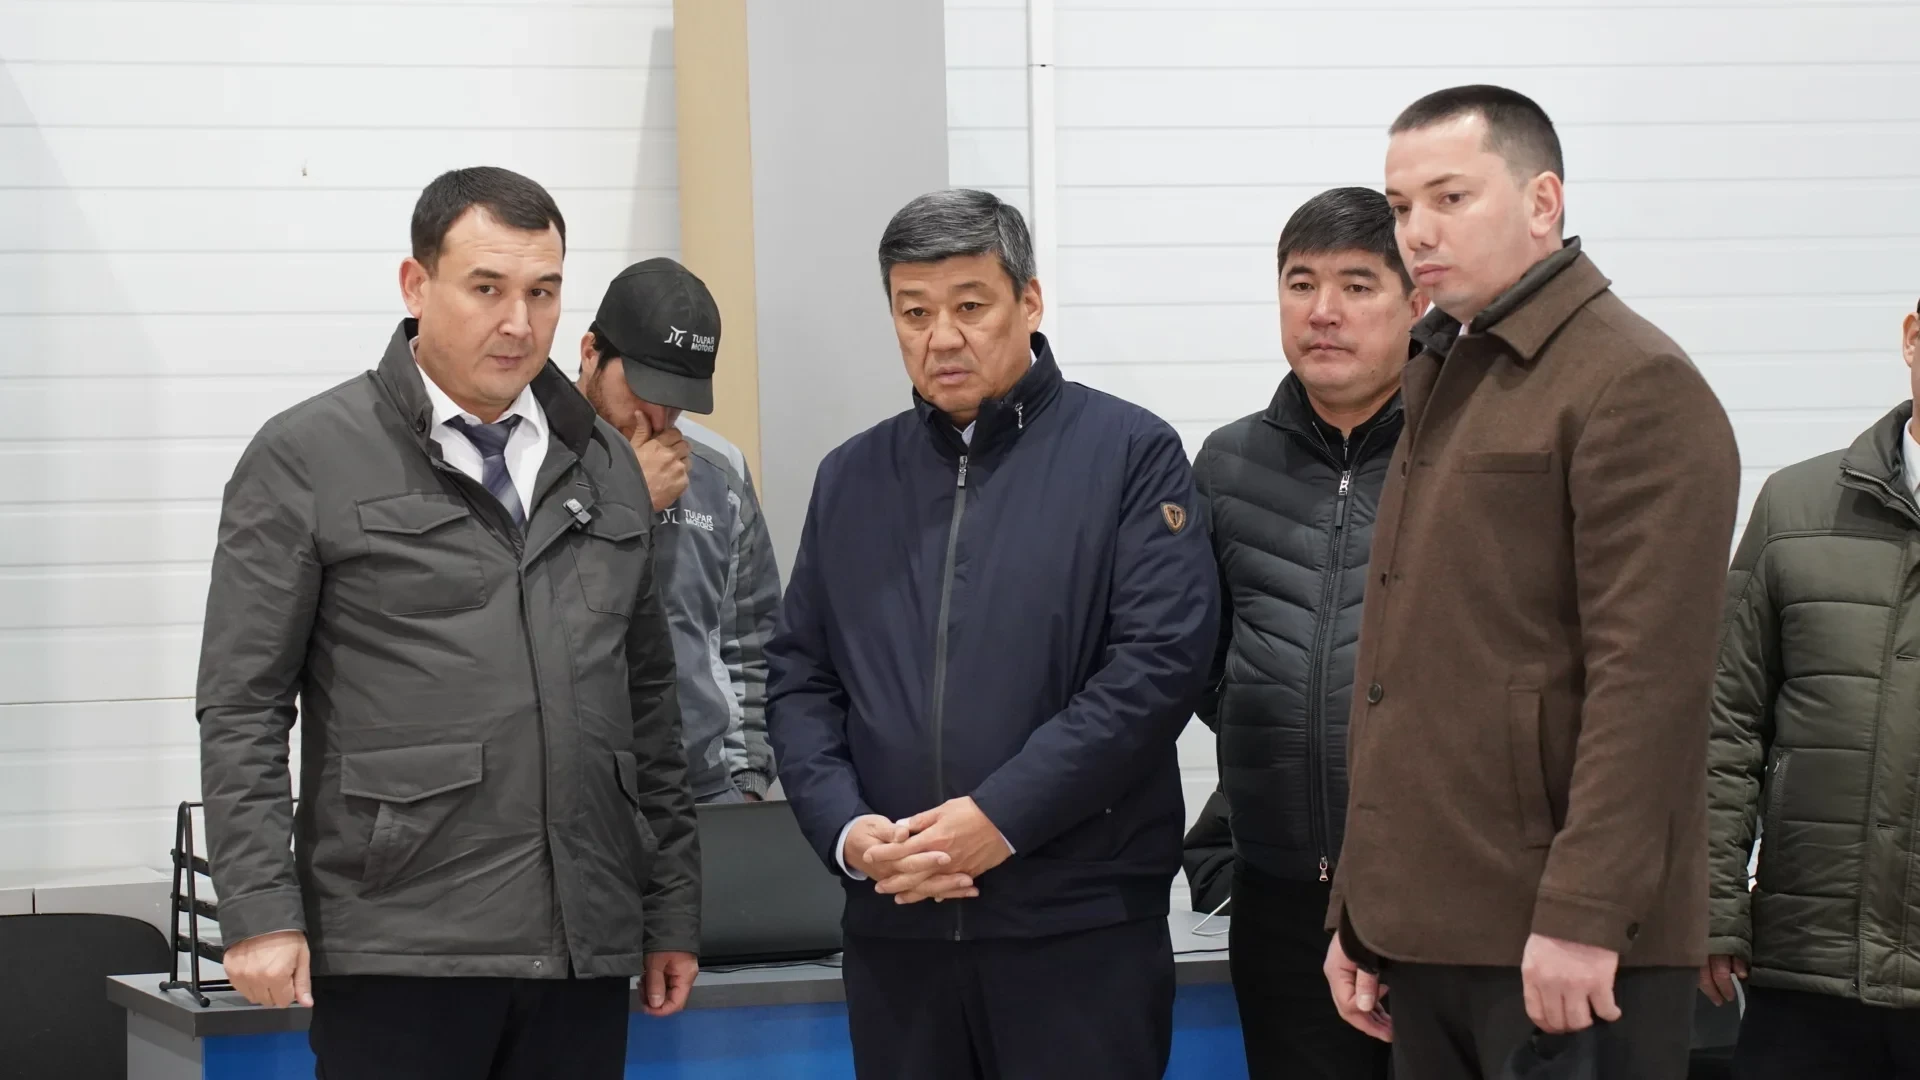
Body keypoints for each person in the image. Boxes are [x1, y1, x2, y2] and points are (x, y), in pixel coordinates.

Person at [196, 167, 700, 1080]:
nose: (519, 323)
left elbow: (649, 704)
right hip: (400, 945)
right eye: (487, 288)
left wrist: (669, 910)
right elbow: (243, 704)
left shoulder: (603, 464)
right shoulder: (307, 456)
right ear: (415, 285)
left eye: (542, 292)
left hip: (583, 946)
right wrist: (261, 911)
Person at [1321, 86, 1742, 1079]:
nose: (1417, 232)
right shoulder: (1447, 368)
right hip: (1428, 929)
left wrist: (1587, 910)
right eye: (1401, 206)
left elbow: (1650, 685)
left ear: (1543, 200)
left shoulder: (1632, 381)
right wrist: (1362, 911)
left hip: (1568, 944)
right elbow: (1402, 674)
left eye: (1450, 197)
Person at [766, 188, 1219, 1080]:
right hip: (897, 931)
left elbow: (1157, 668)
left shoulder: (1129, 453)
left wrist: (1001, 819)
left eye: (970, 306)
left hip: (1077, 930)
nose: (942, 337)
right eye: (915, 312)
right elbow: (801, 680)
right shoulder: (851, 476)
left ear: (1030, 301)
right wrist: (850, 833)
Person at [1195, 186, 1421, 1080]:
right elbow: (1204, 658)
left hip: (1437, 898)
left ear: (1417, 301)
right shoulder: (1227, 463)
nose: (1323, 311)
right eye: (1301, 283)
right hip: (1281, 894)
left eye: (1357, 285)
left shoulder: (1462, 455)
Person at [1703, 300, 1920, 1078]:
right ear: (1912, 337)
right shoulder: (1797, 508)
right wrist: (1713, 905)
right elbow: (1726, 723)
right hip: (1810, 971)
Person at [576, 257, 781, 804]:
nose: (658, 417)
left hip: (704, 790)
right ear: (590, 352)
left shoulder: (718, 469)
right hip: (573, 796)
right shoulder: (529, 460)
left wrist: (747, 781)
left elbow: (752, 637)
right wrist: (628, 500)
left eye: (676, 399)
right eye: (641, 388)